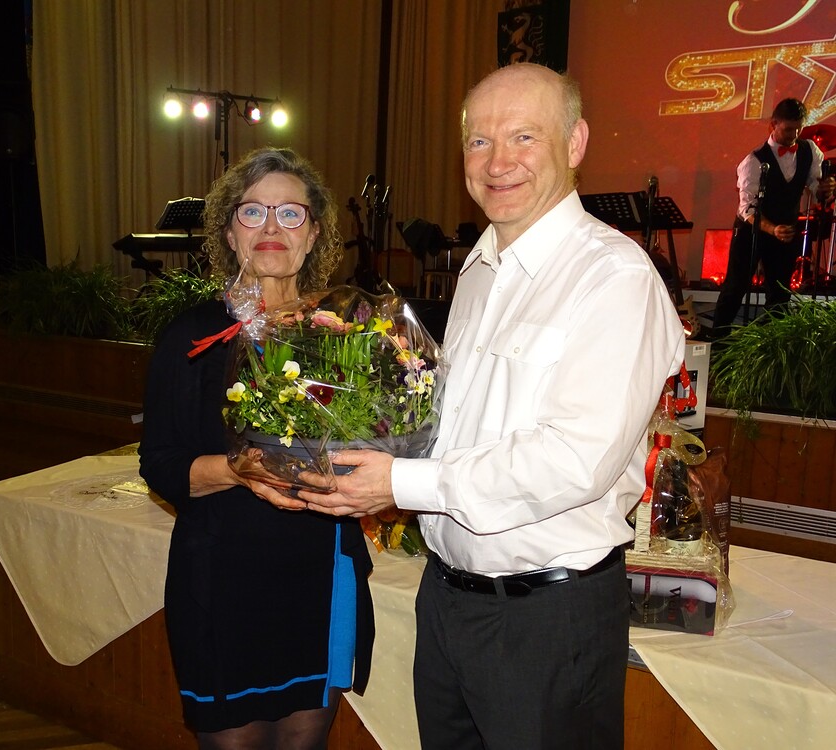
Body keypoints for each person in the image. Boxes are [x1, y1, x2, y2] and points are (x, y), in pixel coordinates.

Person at [301, 63, 686, 749]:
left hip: (546, 618)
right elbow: (460, 425)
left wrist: (400, 483)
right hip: (448, 599)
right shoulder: (478, 271)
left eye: (524, 137)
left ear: (575, 143)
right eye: (479, 141)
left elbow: (575, 460)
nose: (498, 162)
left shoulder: (613, 278)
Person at [138, 147, 374, 750]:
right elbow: (160, 465)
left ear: (314, 234)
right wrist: (237, 470)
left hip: (320, 572)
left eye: (290, 213)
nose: (271, 226)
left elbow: (382, 438)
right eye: (253, 212)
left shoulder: (345, 335)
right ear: (229, 232)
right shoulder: (192, 337)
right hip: (223, 578)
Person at [711, 98, 835, 334]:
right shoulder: (753, 161)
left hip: (785, 231)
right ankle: (718, 343)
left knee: (780, 293)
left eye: (798, 129)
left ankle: (773, 345)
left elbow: (816, 188)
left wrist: (826, 189)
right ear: (773, 125)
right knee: (736, 287)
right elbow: (747, 209)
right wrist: (771, 229)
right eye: (788, 129)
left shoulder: (810, 151)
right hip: (751, 232)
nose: (794, 135)